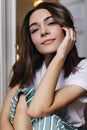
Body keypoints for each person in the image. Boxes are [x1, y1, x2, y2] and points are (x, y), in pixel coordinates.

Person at [0, 1, 87, 130]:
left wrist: (60, 55)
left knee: (26, 101)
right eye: (34, 30)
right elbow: (4, 120)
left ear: (67, 29)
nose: (43, 32)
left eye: (51, 23)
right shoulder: (24, 69)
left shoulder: (83, 68)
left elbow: (37, 110)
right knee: (22, 101)